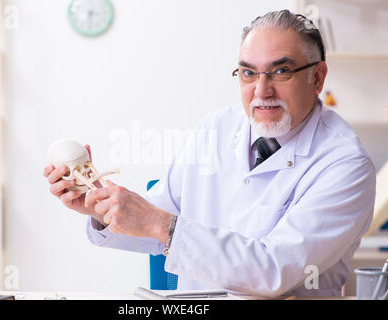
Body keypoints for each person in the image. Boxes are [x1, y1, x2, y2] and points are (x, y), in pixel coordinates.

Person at [43, 10, 376, 297]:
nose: (261, 91)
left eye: (280, 71)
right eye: (248, 73)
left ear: (317, 78)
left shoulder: (344, 163)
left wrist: (160, 225)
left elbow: (274, 271)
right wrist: (100, 205)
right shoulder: (215, 129)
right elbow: (154, 219)